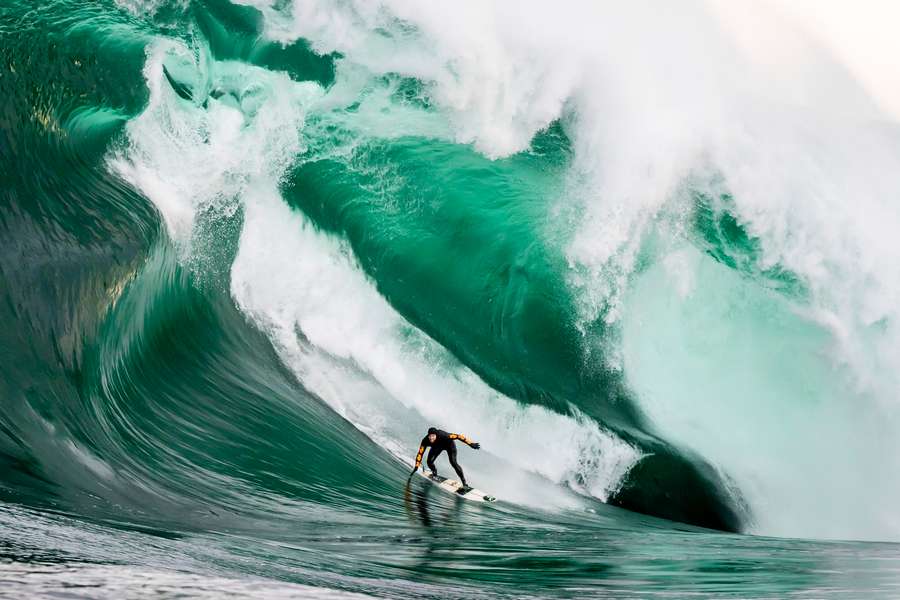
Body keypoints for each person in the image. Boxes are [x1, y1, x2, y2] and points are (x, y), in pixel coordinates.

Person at [410, 427, 480, 491]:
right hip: (437, 447)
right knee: (429, 462)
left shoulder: (443, 435)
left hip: (449, 445)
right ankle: (434, 474)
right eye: (430, 436)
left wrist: (471, 444)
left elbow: (458, 436)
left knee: (453, 462)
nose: (431, 438)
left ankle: (464, 484)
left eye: (433, 436)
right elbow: (420, 453)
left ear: (436, 435)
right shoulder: (425, 441)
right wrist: (417, 465)